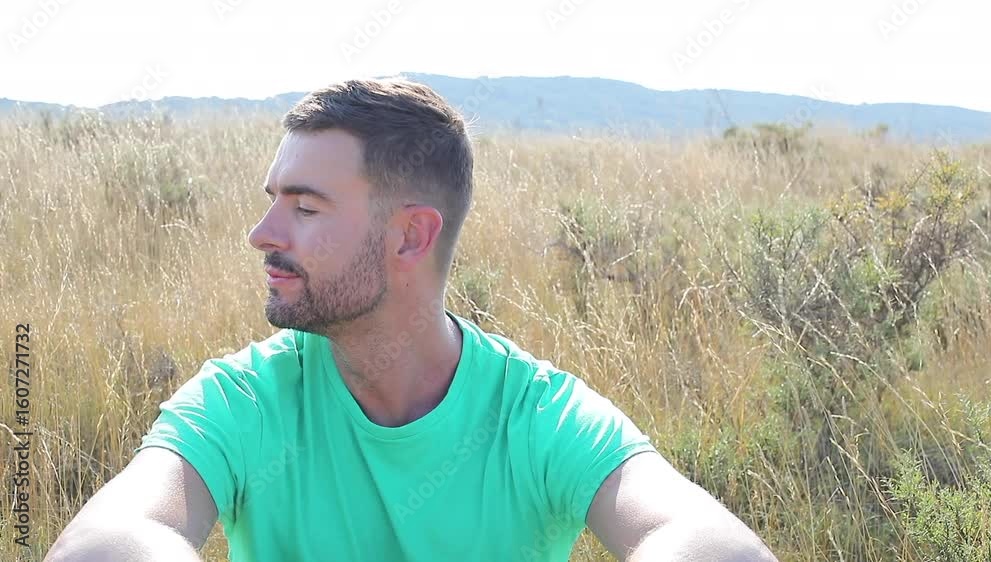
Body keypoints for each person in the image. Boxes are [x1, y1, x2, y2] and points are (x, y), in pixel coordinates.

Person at [45, 78, 777, 562]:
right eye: (274, 202)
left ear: (409, 237)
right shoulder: (246, 399)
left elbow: (700, 538)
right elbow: (111, 538)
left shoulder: (534, 415)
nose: (262, 234)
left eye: (305, 207)